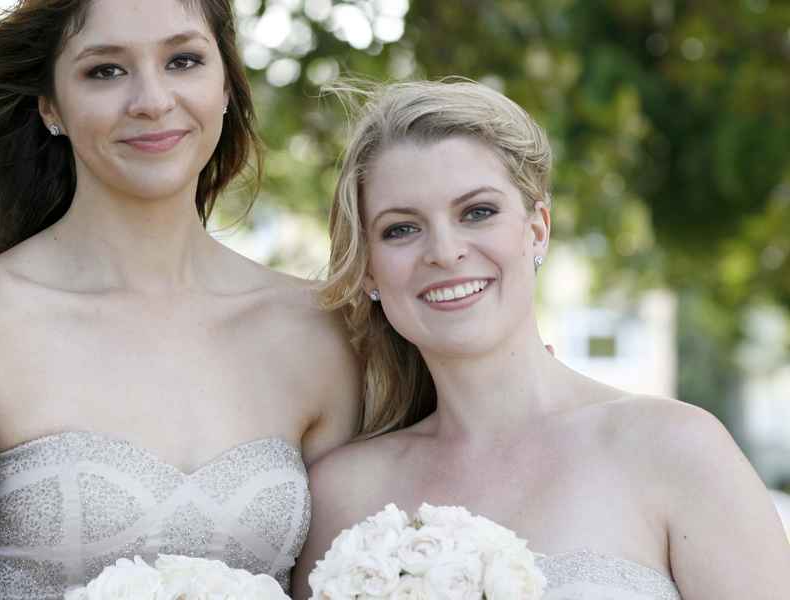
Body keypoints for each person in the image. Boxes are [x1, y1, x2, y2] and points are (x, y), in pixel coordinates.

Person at [0, 0, 360, 596]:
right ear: (51, 106)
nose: (152, 100)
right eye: (106, 70)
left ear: (225, 86)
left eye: (183, 60)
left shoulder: (316, 329)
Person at [294, 79, 790, 599]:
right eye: (401, 229)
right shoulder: (341, 494)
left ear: (537, 229)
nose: (444, 251)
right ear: (369, 269)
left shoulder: (676, 449)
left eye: (477, 212)